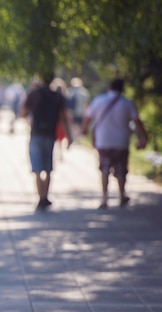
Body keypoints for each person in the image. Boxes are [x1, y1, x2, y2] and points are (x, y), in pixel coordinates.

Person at [80, 78, 148, 209]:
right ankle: (122, 195)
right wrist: (144, 137)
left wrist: (83, 131)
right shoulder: (127, 103)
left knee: (104, 169)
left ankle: (104, 198)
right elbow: (137, 122)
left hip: (103, 140)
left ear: (109, 87)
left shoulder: (99, 100)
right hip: (121, 141)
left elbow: (88, 118)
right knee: (121, 169)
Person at [21, 74, 74, 210]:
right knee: (48, 168)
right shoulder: (56, 96)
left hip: (36, 134)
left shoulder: (34, 94)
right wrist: (69, 136)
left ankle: (41, 197)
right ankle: (46, 196)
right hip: (50, 135)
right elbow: (62, 118)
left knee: (37, 169)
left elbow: (23, 113)